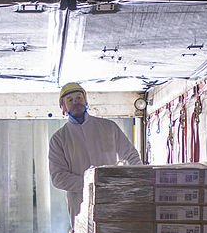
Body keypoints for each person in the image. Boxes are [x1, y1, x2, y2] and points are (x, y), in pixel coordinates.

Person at [48, 82, 142, 224]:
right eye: (70, 100)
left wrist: (139, 180)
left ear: (86, 101)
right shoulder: (59, 139)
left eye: (79, 98)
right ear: (63, 107)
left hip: (112, 196)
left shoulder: (108, 127)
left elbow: (131, 155)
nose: (76, 103)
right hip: (80, 202)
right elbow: (58, 177)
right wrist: (90, 183)